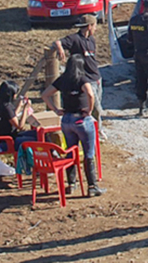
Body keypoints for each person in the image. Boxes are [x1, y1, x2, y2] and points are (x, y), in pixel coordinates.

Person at [41, 54, 104, 196]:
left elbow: (45, 94)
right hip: (81, 120)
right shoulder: (82, 79)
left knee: (70, 151)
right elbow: (91, 94)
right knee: (88, 153)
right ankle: (92, 186)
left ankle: (71, 183)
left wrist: (56, 109)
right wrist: (89, 109)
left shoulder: (63, 80)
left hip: (67, 119)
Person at [54, 14, 104, 128]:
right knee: (95, 108)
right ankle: (97, 130)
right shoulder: (74, 39)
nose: (96, 29)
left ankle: (96, 128)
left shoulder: (91, 39)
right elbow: (57, 42)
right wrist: (60, 48)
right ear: (89, 26)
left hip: (96, 76)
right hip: (86, 78)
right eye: (95, 26)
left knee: (98, 105)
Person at [0, 80, 38, 152]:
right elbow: (20, 126)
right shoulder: (7, 108)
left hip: (7, 138)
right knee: (38, 139)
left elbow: (12, 117)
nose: (16, 95)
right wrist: (25, 109)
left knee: (37, 134)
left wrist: (19, 106)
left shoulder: (1, 104)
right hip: (9, 142)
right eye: (15, 93)